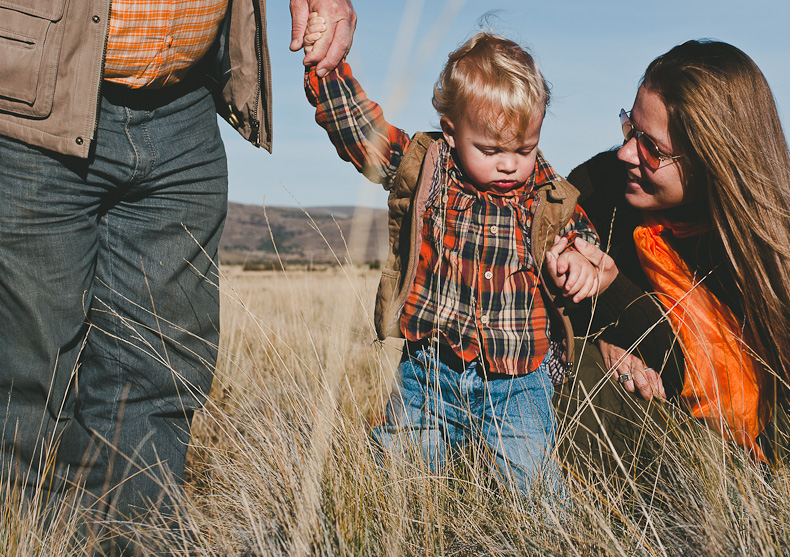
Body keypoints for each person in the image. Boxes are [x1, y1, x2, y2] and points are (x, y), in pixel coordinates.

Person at [0, 0, 355, 537]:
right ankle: (26, 540)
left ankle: (134, 543)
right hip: (36, 103)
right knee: (29, 379)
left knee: (156, 377)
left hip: (186, 101)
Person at [303, 16, 617, 502]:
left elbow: (581, 244)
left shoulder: (548, 197)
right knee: (398, 489)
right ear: (450, 131)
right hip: (427, 371)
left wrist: (579, 263)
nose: (510, 162)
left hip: (516, 383)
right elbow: (361, 133)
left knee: (535, 495)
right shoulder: (426, 167)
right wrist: (327, 71)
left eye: (525, 148)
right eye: (491, 149)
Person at [556, 40, 790, 474]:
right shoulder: (598, 189)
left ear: (714, 160)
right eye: (630, 128)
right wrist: (598, 337)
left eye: (652, 148)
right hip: (641, 408)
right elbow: (545, 299)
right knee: (579, 374)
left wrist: (614, 298)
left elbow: (717, 366)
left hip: (745, 442)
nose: (626, 153)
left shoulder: (783, 240)